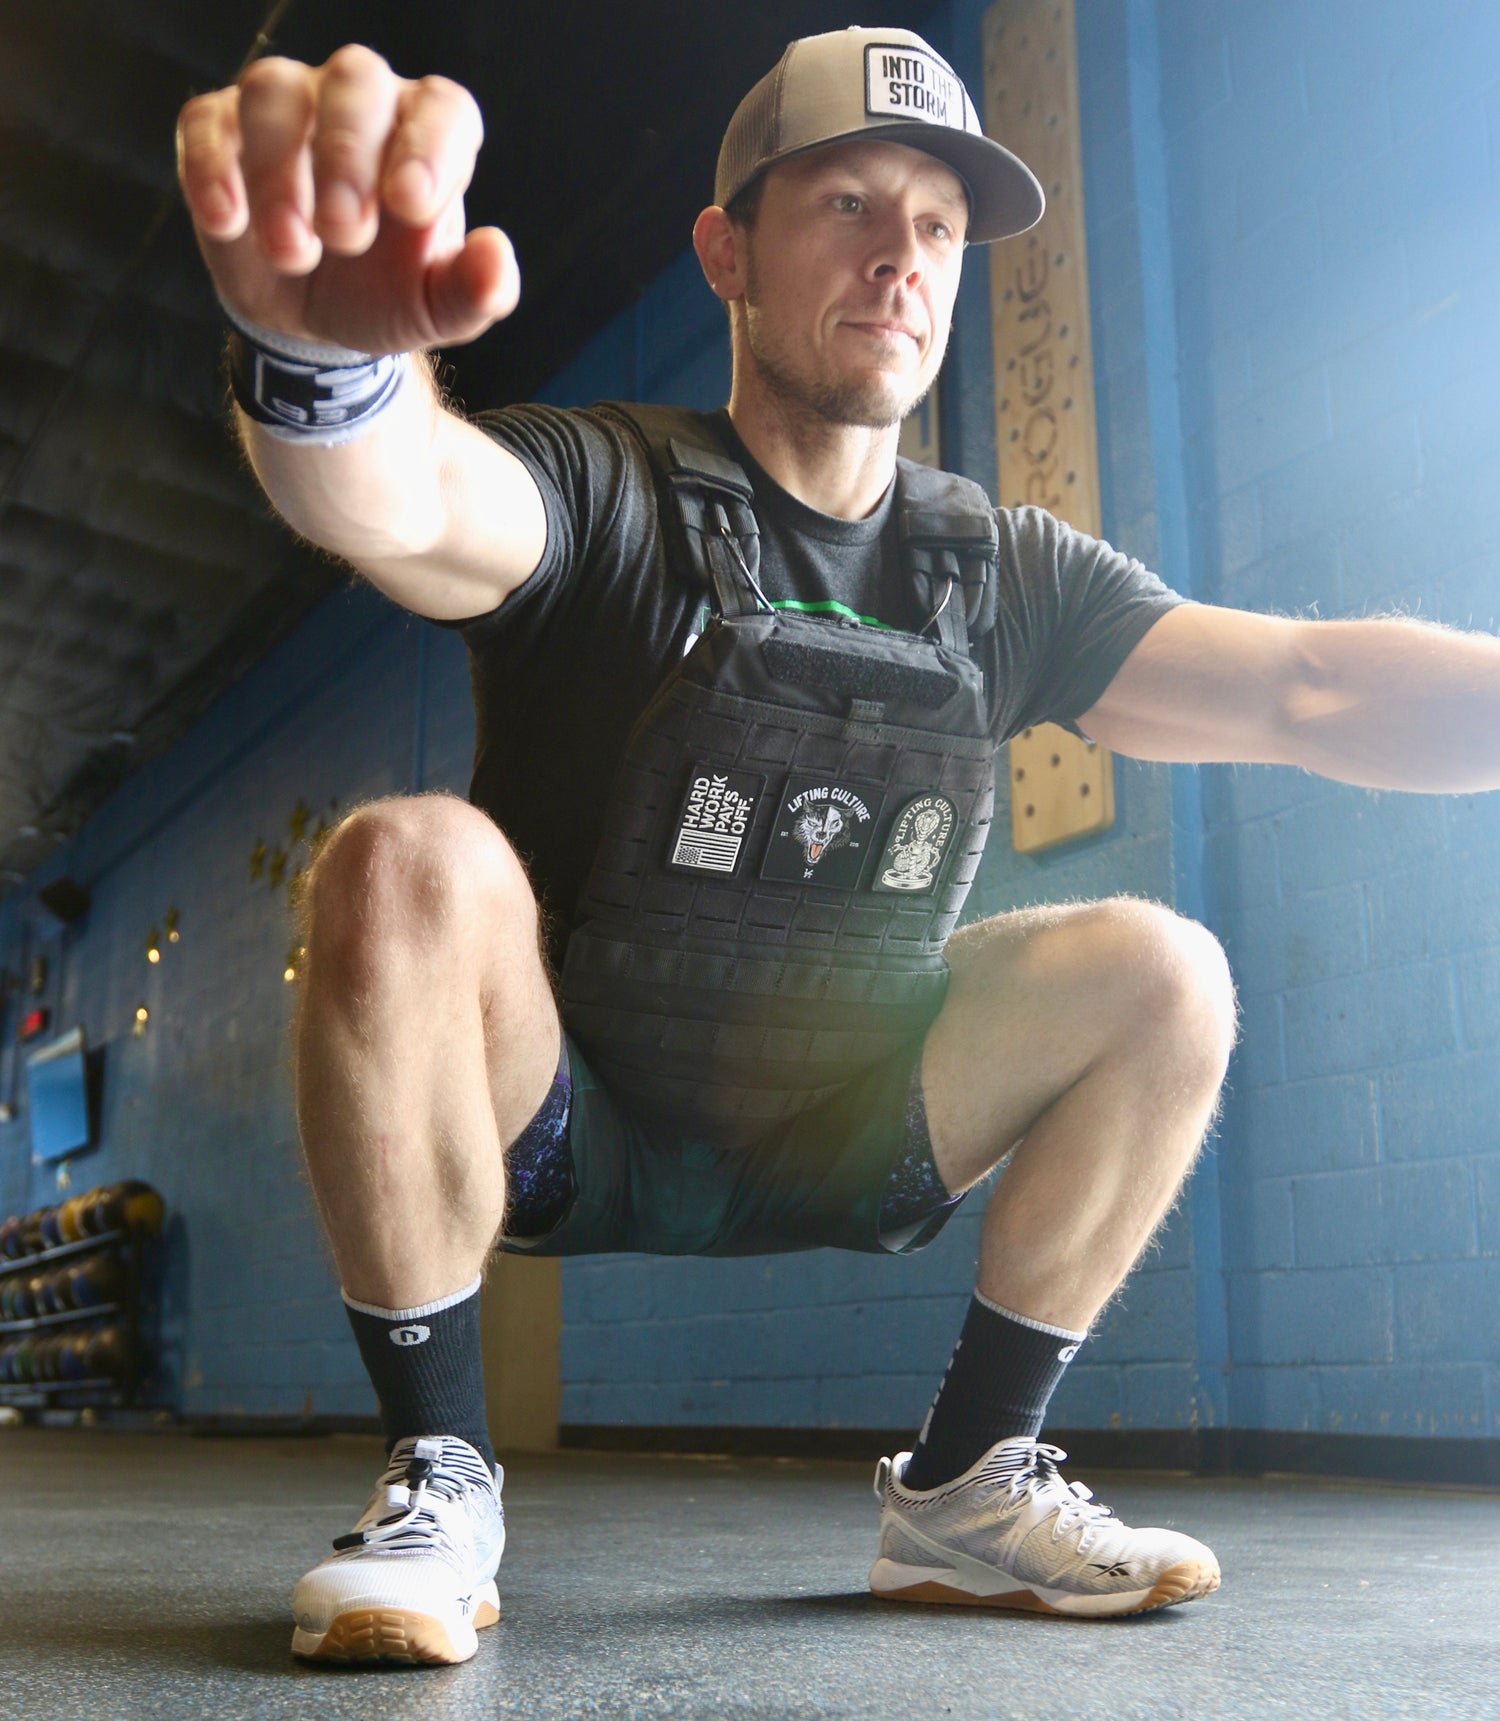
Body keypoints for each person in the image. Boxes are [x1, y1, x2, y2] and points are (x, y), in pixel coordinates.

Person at [176, 25, 1500, 1663]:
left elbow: (1307, 686)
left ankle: (969, 1486)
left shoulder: (1001, 571)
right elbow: (410, 498)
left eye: (937, 223)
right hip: (562, 1118)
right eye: (849, 204)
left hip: (849, 1121)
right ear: (725, 252)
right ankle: (439, 1471)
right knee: (401, 860)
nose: (902, 256)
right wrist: (320, 364)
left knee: (1166, 969)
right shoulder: (612, 487)